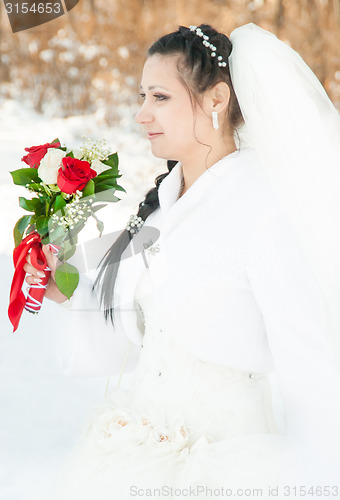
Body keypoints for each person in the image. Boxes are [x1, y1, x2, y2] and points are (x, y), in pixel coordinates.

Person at [24, 23, 340, 499]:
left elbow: (311, 365)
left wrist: (315, 474)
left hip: (225, 461)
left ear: (216, 99)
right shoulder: (165, 204)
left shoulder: (264, 206)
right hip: (140, 450)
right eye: (142, 96)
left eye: (159, 97)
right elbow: (150, 332)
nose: (140, 113)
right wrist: (65, 287)